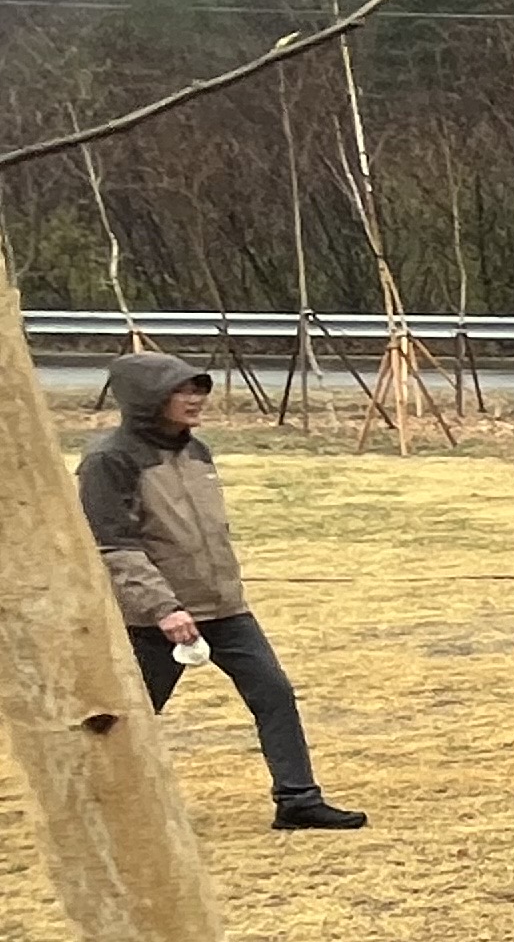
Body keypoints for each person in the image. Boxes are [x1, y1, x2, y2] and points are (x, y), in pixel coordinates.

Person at [78, 352, 363, 831]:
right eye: (181, 390)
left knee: (274, 694)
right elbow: (114, 545)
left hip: (225, 608)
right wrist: (163, 608)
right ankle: (97, 806)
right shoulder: (109, 461)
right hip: (155, 619)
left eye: (198, 388)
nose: (195, 399)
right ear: (148, 398)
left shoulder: (197, 452)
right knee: (131, 715)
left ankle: (297, 799)